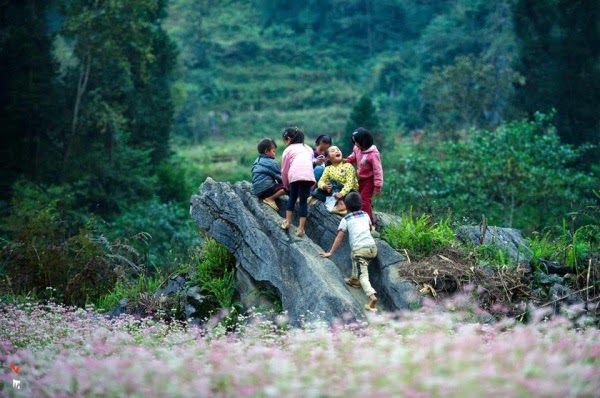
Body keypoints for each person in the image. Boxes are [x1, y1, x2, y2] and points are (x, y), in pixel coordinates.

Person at [320, 192, 378, 311]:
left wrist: (330, 252)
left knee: (363, 275)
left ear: (346, 205)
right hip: (372, 247)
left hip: (360, 250)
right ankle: (354, 280)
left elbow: (339, 237)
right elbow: (370, 228)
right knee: (355, 259)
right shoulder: (365, 214)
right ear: (361, 204)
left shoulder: (346, 219)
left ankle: (372, 297)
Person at [345, 127, 383, 231]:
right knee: (360, 199)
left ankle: (370, 224)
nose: (355, 144)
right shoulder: (357, 148)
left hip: (370, 180)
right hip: (361, 179)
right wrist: (347, 160)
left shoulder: (373, 154)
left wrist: (378, 186)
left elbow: (378, 170)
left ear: (363, 142)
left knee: (364, 201)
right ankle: (363, 217)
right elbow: (354, 156)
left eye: (356, 142)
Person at [281, 127, 316, 237]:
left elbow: (284, 171)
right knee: (303, 202)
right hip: (308, 176)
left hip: (295, 175)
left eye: (285, 141)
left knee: (292, 197)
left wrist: (285, 184)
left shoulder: (288, 149)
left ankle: (288, 222)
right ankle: (301, 229)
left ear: (288, 139)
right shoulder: (309, 148)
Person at [313, 145, 358, 215]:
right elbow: (321, 181)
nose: (336, 151)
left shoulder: (347, 166)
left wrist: (341, 193)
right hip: (335, 192)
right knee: (317, 191)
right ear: (328, 158)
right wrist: (324, 186)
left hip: (349, 193)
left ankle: (340, 203)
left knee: (332, 182)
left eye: (338, 150)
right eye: (333, 151)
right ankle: (334, 201)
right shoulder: (328, 168)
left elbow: (350, 184)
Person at [251, 138, 287, 211]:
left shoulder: (257, 160)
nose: (275, 153)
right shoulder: (271, 163)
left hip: (258, 191)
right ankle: (270, 199)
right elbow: (279, 177)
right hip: (266, 189)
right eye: (273, 151)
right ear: (267, 151)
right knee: (287, 187)